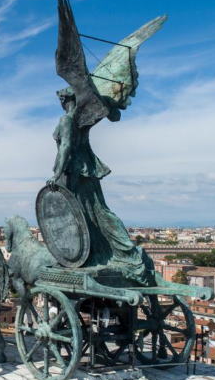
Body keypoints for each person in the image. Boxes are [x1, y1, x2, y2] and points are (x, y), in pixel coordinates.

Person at [47, 87, 153, 284]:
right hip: (85, 168)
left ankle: (120, 253)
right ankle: (107, 253)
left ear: (63, 100)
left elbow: (66, 146)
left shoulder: (67, 120)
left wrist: (57, 174)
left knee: (89, 212)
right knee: (94, 211)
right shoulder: (82, 119)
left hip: (73, 170)